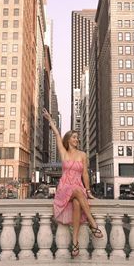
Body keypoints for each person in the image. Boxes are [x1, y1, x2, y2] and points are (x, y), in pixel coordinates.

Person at [42, 108, 103, 257]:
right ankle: (92, 222)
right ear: (68, 139)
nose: (77, 140)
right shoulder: (63, 152)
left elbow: (84, 174)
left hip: (78, 187)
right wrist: (50, 120)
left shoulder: (83, 155)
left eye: (77, 138)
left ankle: (75, 243)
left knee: (77, 203)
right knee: (75, 191)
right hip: (64, 188)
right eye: (74, 137)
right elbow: (56, 134)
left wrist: (88, 191)